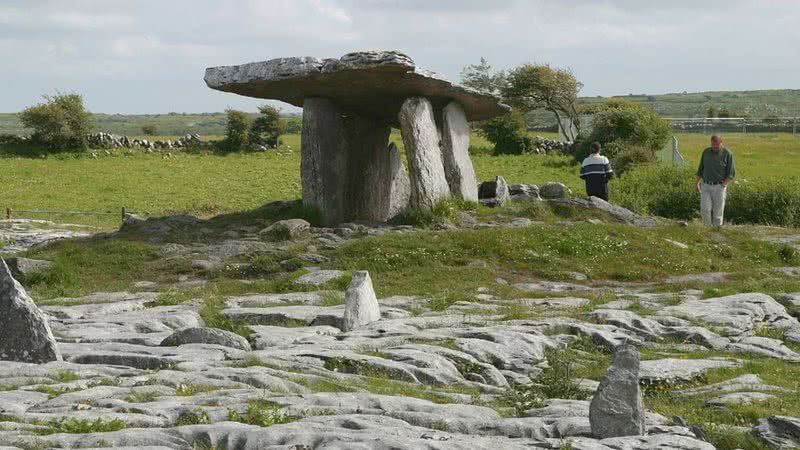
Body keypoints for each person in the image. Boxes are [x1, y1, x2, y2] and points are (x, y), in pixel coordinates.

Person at [695, 134, 736, 226]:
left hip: (719, 187)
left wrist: (724, 185)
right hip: (705, 186)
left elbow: (731, 173)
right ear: (711, 143)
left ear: (721, 143)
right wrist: (697, 183)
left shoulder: (727, 154)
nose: (715, 146)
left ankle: (717, 231)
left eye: (717, 144)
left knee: (718, 212)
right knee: (705, 209)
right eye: (713, 144)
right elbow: (700, 169)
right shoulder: (706, 152)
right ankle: (707, 229)